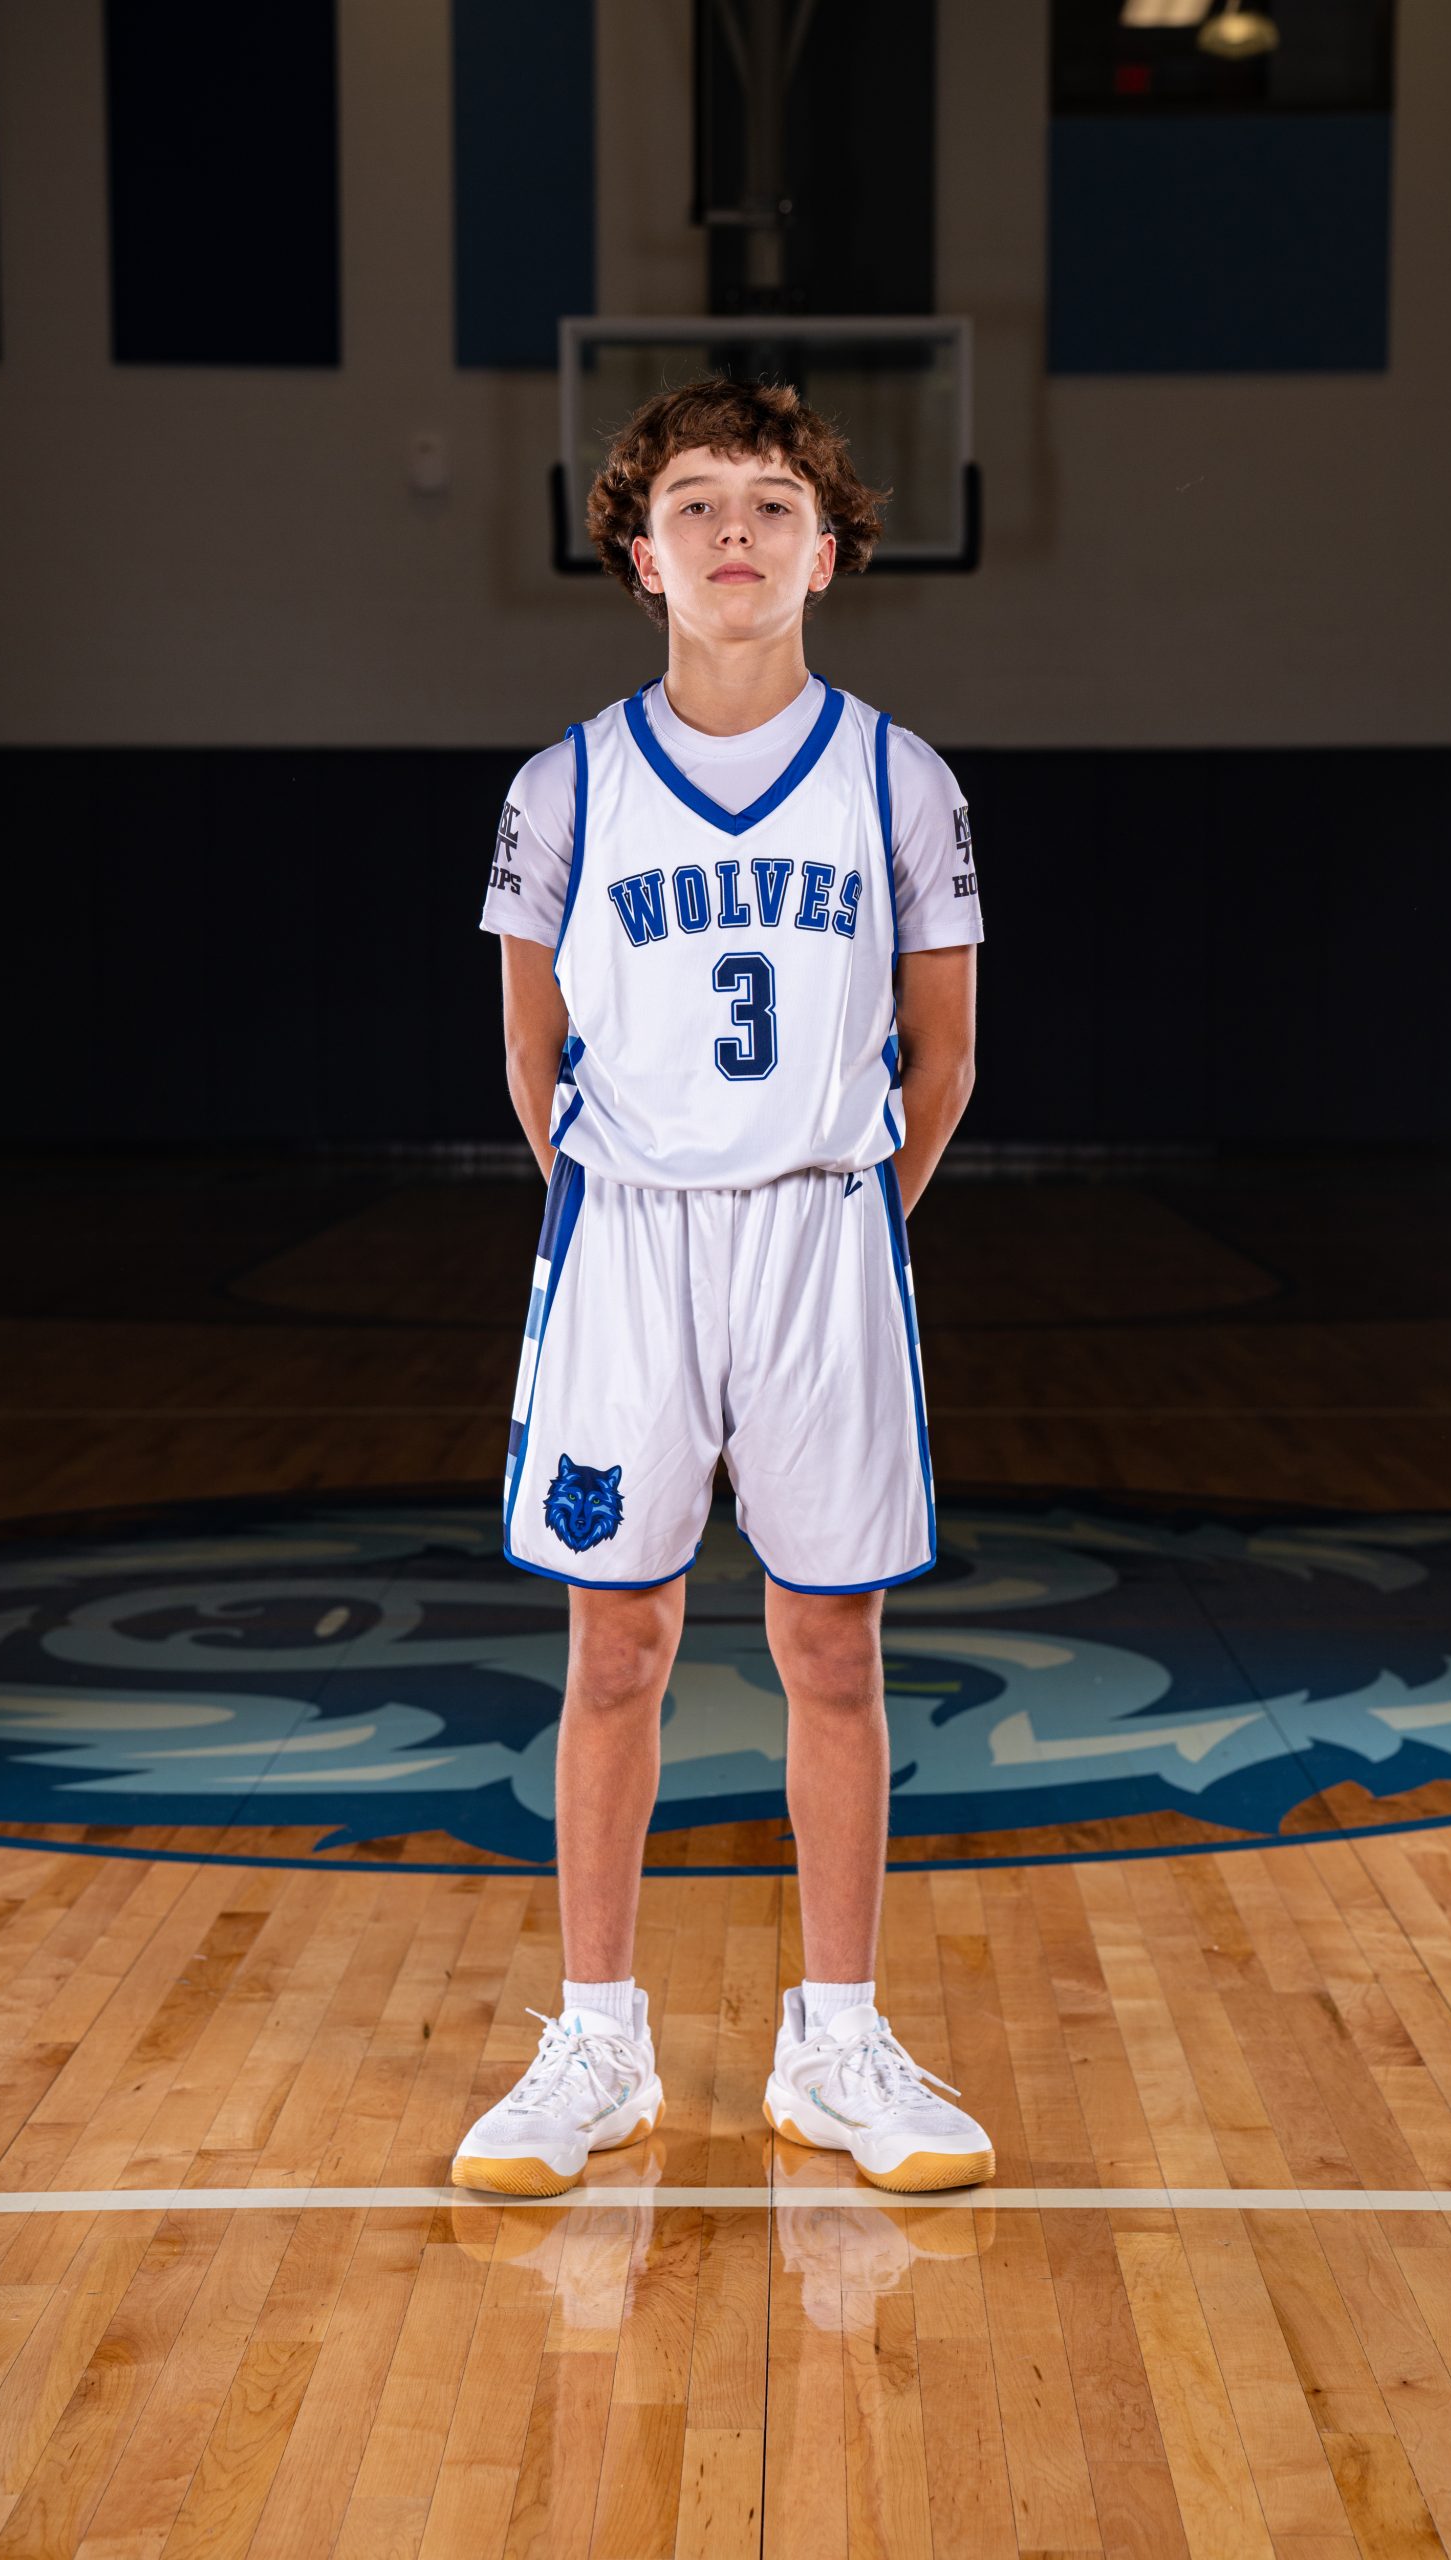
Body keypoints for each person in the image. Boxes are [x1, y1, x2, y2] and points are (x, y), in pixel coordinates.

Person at [454, 376, 988, 2197]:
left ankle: (835, 2047)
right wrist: (630, 1206)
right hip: (629, 1240)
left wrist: (849, 1211)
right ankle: (595, 2043)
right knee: (615, 1643)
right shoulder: (563, 785)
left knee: (832, 1644)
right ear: (639, 556)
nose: (733, 531)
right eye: (694, 502)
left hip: (823, 1230)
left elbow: (944, 1052)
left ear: (825, 555)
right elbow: (530, 1054)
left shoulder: (898, 777)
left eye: (770, 503)